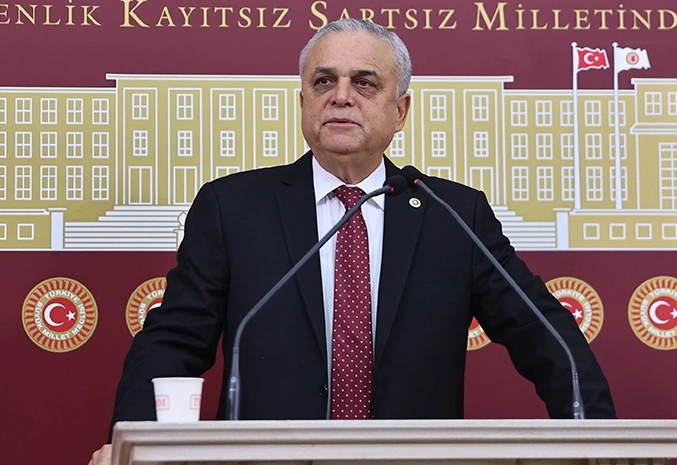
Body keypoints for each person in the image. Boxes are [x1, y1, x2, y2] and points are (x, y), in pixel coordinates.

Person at [89, 18, 615, 464]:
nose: (341, 96)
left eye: (364, 82)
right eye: (324, 81)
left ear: (400, 110)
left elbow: (543, 333)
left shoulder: (454, 214)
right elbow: (173, 341)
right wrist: (129, 443)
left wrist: (599, 441)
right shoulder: (233, 208)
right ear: (303, 102)